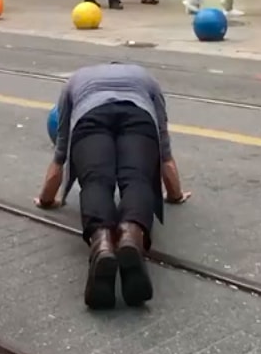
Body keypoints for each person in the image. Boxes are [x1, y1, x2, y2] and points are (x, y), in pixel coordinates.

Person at [35, 63, 190, 310]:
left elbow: (60, 155)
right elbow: (165, 152)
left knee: (96, 180)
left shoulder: (76, 79)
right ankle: (131, 234)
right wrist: (175, 194)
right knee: (137, 178)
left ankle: (102, 243)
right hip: (139, 118)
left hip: (89, 119)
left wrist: (45, 198)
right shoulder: (145, 77)